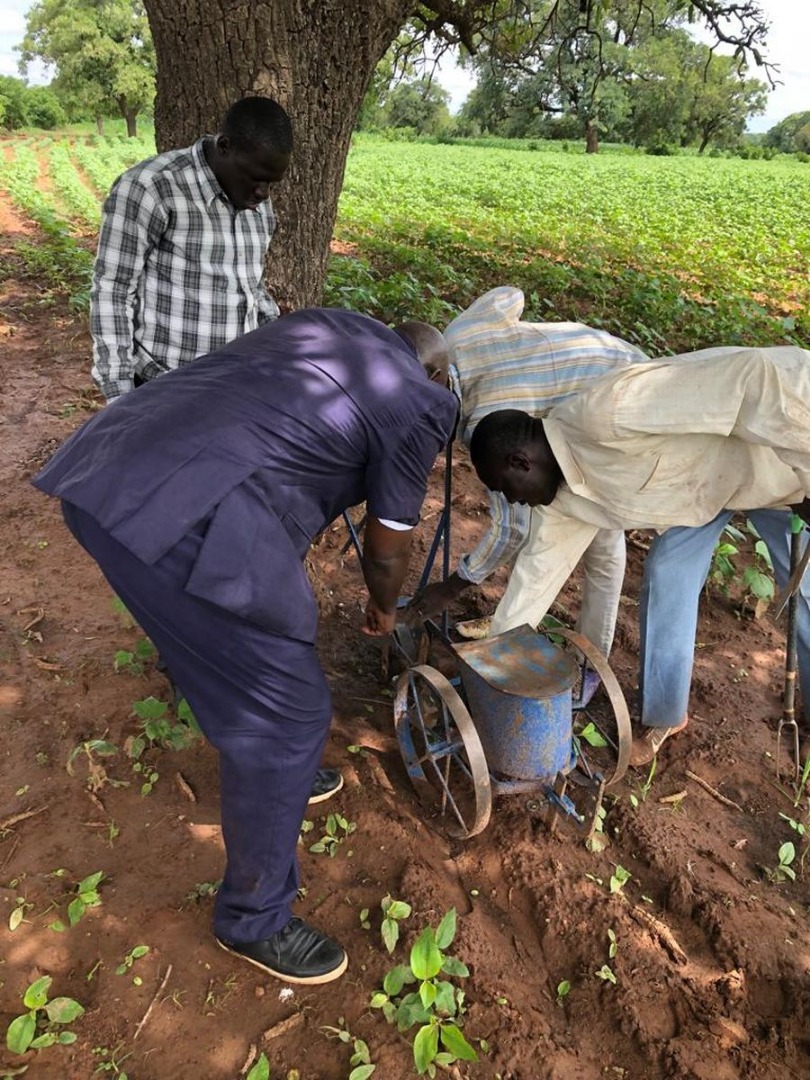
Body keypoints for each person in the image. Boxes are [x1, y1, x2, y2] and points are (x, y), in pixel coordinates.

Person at [34, 308, 458, 984]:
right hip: (180, 514)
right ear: (433, 372)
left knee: (216, 631)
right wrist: (385, 605)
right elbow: (386, 551)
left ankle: (268, 770)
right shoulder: (419, 400)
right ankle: (253, 919)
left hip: (106, 471)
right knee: (291, 715)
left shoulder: (332, 325)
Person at [468, 344, 810, 765]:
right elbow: (535, 577)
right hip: (703, 497)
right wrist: (491, 668)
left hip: (780, 469)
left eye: (505, 489)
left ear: (521, 462)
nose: (513, 503)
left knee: (806, 596)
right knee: (667, 576)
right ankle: (665, 715)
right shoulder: (559, 500)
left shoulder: (609, 411)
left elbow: (752, 378)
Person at [405, 286, 648, 680]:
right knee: (560, 522)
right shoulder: (454, 337)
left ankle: (583, 665)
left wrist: (452, 586)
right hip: (609, 358)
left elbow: (511, 528)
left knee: (588, 536)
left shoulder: (491, 419)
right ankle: (528, 628)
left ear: (438, 379)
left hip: (623, 404)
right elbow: (509, 296)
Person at [90, 96, 293, 401]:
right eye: (256, 179)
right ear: (224, 147)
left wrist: (280, 342)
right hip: (166, 389)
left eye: (271, 183)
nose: (263, 194)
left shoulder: (255, 198)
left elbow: (251, 286)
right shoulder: (151, 187)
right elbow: (113, 290)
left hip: (238, 387)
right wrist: (119, 396)